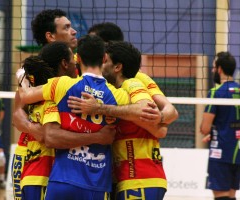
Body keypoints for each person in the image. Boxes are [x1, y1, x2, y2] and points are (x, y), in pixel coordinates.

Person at [17, 35, 157, 199]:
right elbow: (142, 110)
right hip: (97, 184)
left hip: (63, 180)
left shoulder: (62, 84)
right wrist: (101, 109)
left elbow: (26, 96)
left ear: (79, 59)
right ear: (104, 58)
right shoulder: (118, 95)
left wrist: (21, 76)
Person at [12, 42, 115, 200]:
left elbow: (23, 102)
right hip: (40, 173)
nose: (75, 61)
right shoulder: (56, 92)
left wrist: (21, 77)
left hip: (37, 170)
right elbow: (41, 132)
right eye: (72, 57)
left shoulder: (45, 90)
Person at [68, 41, 168, 199]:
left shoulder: (131, 83)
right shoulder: (113, 91)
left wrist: (99, 108)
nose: (102, 65)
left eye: (106, 61)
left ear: (117, 67)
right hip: (128, 179)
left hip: (139, 178)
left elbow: (159, 127)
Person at [87, 21, 178, 125]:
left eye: (93, 44)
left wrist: (160, 118)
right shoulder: (91, 71)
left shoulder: (134, 79)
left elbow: (169, 113)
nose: (89, 47)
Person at [200, 51, 240, 200]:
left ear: (219, 69)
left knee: (221, 196)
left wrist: (210, 131)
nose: (213, 70)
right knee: (231, 195)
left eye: (214, 67)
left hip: (221, 152)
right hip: (238, 152)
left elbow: (204, 128)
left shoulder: (216, 92)